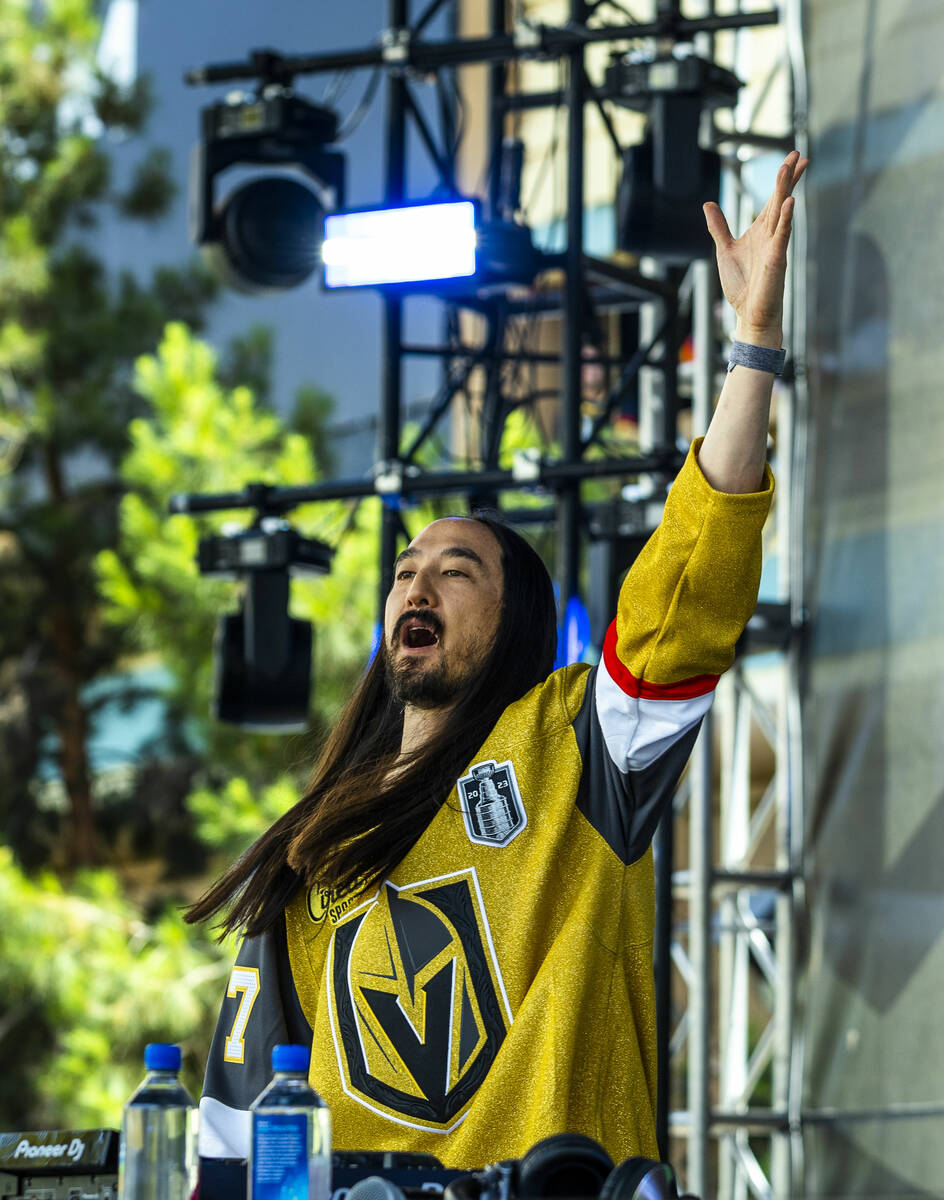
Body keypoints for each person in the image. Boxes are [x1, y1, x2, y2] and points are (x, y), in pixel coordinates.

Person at [190, 152, 808, 1169]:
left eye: (456, 570)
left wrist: (750, 349)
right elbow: (235, 1128)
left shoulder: (573, 746)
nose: (416, 586)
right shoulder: (317, 844)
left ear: (514, 614)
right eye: (402, 570)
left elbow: (682, 597)